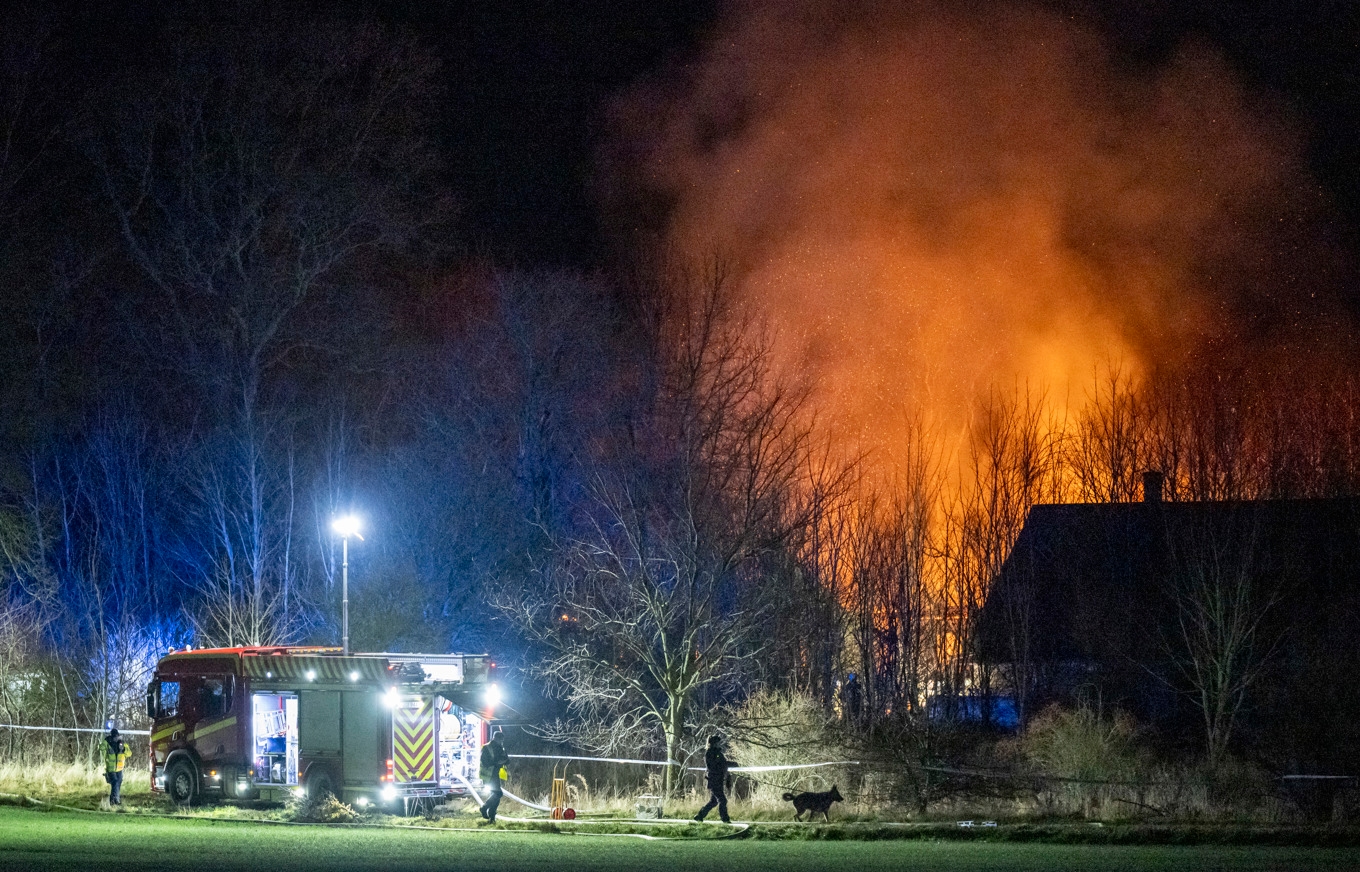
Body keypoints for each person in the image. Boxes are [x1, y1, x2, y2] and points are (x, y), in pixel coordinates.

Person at [693, 734, 733, 824]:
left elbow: (724, 763)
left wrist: (735, 765)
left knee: (713, 802)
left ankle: (700, 816)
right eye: (717, 743)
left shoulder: (718, 753)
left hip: (718, 780)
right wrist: (722, 767)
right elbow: (712, 767)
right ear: (713, 743)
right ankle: (725, 819)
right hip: (714, 780)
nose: (719, 744)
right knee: (722, 800)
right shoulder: (709, 753)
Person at [478, 730, 509, 823]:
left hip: (495, 774)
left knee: (496, 795)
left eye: (502, 740)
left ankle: (492, 818)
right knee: (498, 794)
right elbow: (484, 761)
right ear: (494, 738)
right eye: (500, 739)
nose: (501, 741)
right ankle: (484, 808)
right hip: (488, 775)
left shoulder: (501, 748)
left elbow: (507, 760)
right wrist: (496, 763)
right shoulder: (486, 747)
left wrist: (503, 761)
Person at [101, 727, 132, 806]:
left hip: (119, 768)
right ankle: (117, 801)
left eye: (116, 736)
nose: (115, 738)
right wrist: (106, 740)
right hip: (111, 768)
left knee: (118, 784)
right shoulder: (108, 742)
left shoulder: (122, 743)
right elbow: (101, 748)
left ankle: (112, 801)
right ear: (112, 736)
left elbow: (129, 753)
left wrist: (124, 749)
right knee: (115, 782)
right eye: (114, 736)